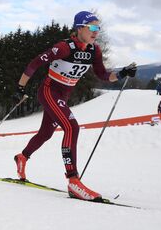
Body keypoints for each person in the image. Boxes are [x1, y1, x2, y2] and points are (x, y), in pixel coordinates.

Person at [12, 11, 137, 201]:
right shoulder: (64, 48)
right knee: (72, 127)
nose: (96, 32)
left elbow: (103, 75)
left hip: (63, 95)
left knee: (46, 133)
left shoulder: (94, 51)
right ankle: (73, 181)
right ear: (80, 28)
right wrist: (20, 87)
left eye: (98, 28)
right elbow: (34, 63)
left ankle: (22, 157)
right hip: (49, 91)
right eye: (92, 27)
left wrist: (122, 73)